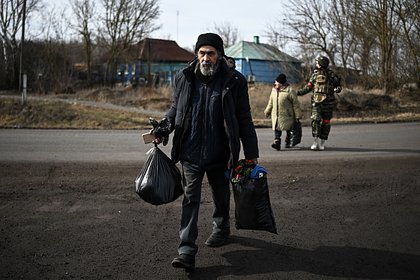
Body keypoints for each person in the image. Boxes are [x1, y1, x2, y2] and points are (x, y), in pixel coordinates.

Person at [153, 33, 259, 271]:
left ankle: (221, 227)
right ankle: (186, 250)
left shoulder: (235, 81)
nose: (205, 58)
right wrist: (163, 127)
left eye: (211, 53)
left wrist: (251, 153)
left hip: (221, 154)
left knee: (221, 195)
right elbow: (175, 109)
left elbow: (244, 119)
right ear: (196, 54)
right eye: (202, 53)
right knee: (190, 199)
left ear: (220, 55)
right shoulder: (183, 77)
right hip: (190, 153)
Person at [297, 55, 342, 150]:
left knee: (326, 123)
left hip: (328, 103)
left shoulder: (331, 75)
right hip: (316, 103)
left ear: (321, 64)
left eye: (317, 62)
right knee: (315, 120)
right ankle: (315, 141)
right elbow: (309, 87)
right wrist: (298, 93)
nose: (316, 64)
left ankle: (322, 142)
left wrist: (337, 88)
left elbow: (338, 85)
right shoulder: (315, 75)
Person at [264, 73, 302, 150]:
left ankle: (288, 141)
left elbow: (296, 104)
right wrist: (267, 111)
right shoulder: (274, 91)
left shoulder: (289, 91)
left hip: (287, 115)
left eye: (277, 82)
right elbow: (270, 102)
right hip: (276, 115)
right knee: (277, 128)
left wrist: (298, 115)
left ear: (281, 83)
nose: (275, 83)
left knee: (288, 129)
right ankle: (277, 142)